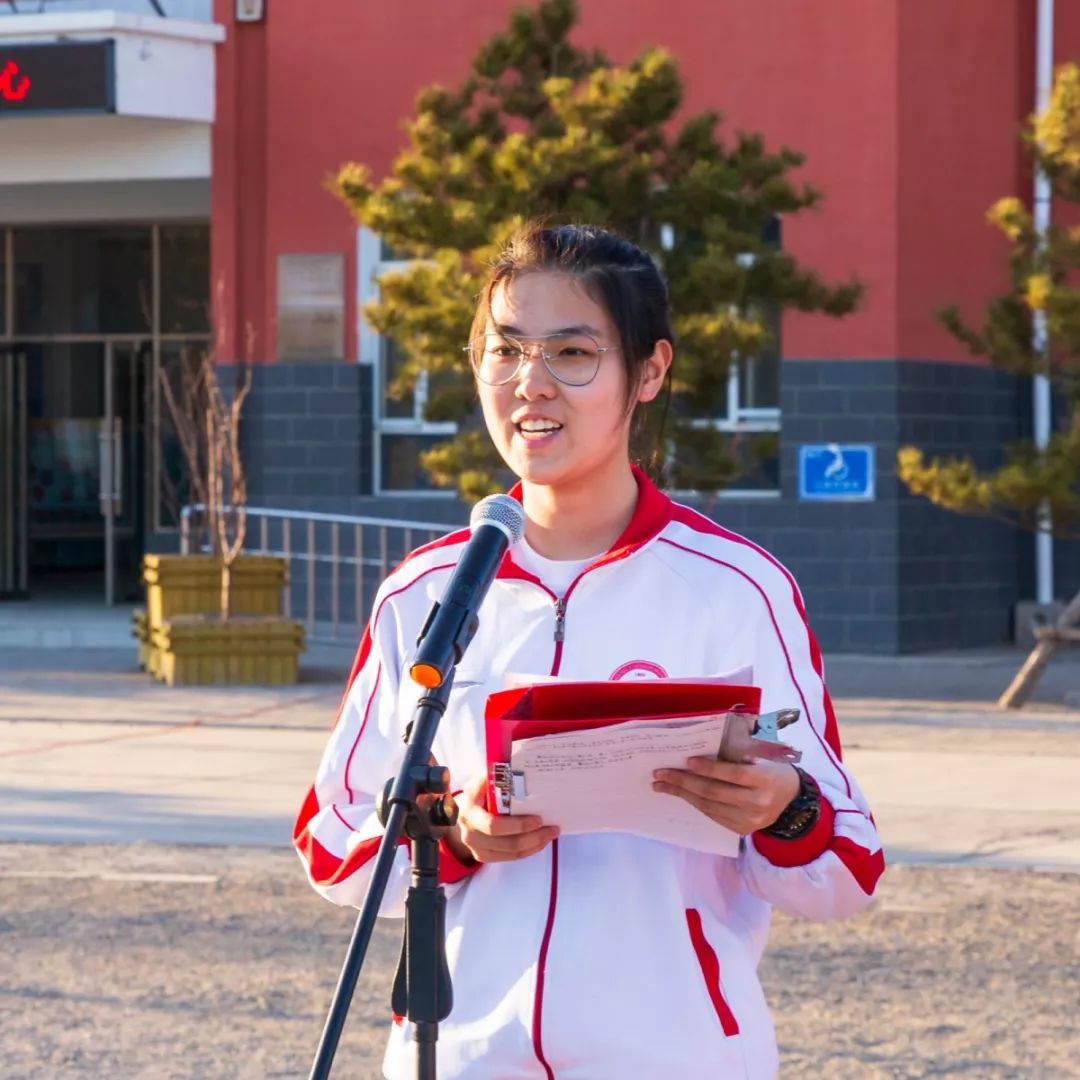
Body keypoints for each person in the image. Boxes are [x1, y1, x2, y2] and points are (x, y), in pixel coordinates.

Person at [294, 222, 884, 1079]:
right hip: (464, 1057)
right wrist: (454, 828)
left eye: (572, 352)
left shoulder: (737, 590)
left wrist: (780, 807)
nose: (531, 384)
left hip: (677, 1058)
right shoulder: (426, 594)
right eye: (504, 349)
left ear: (648, 372)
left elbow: (847, 869)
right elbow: (332, 843)